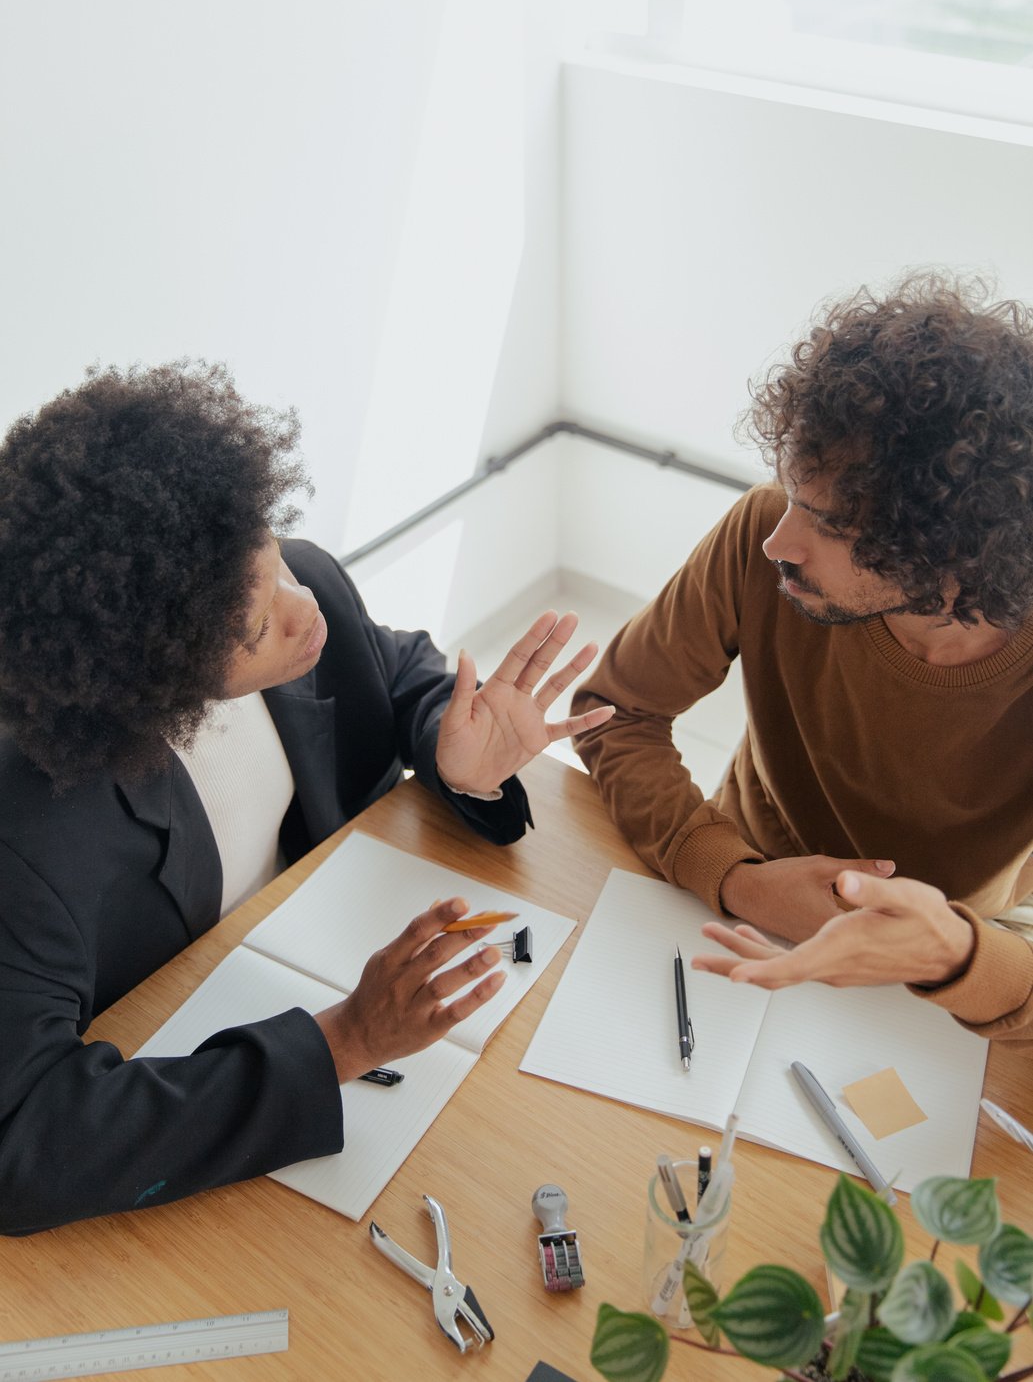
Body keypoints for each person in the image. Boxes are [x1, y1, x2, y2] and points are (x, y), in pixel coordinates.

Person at [0, 362, 614, 1235]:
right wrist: (341, 1043)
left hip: (321, 945)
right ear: (151, 677)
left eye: (274, 555)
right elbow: (27, 1140)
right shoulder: (30, 832)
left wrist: (457, 749)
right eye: (256, 626)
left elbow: (393, 669)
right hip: (196, 1123)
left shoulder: (298, 590)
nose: (304, 611)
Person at [571, 274, 1033, 1044]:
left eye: (827, 522)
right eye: (789, 496)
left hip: (941, 966)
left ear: (944, 547)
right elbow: (613, 711)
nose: (775, 543)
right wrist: (732, 875)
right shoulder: (759, 538)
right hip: (732, 894)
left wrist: (952, 954)